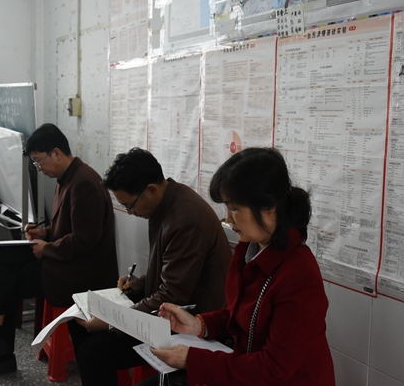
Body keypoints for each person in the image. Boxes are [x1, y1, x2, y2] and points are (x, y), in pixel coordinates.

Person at [144, 147, 335, 386]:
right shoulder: (249, 247)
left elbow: (274, 369)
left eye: (234, 209)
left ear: (269, 207)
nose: (228, 219)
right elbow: (242, 315)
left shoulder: (299, 275)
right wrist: (199, 324)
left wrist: (193, 359)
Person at [0, 123, 119, 377]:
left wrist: (47, 249)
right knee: (3, 255)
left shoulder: (84, 183)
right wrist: (44, 233)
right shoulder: (66, 178)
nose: (39, 168)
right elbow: (67, 227)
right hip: (67, 259)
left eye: (38, 162)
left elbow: (85, 240)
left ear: (56, 153)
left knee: (8, 279)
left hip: (83, 273)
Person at [75, 147, 232, 386]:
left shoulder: (184, 220)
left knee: (94, 351)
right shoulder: (167, 203)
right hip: (174, 307)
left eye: (130, 206)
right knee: (80, 324)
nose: (131, 213)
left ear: (151, 190)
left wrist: (112, 323)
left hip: (191, 319)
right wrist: (139, 284)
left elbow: (173, 296)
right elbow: (173, 271)